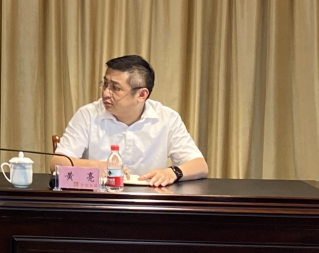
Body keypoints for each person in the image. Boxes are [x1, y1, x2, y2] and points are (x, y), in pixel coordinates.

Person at [52, 55, 208, 187]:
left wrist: (173, 172)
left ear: (142, 95)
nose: (105, 93)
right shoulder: (88, 115)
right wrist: (98, 166)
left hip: (149, 203)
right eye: (105, 84)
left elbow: (200, 165)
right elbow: (57, 163)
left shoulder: (167, 118)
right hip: (100, 202)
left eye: (115, 88)